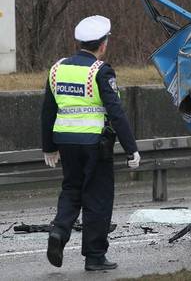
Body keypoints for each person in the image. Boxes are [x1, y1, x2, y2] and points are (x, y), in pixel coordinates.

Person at [41, 15, 141, 271]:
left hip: (65, 141)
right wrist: (131, 149)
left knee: (72, 189)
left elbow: (47, 110)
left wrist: (48, 146)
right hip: (95, 144)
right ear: (103, 44)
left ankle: (59, 232)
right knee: (97, 198)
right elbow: (116, 112)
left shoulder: (58, 68)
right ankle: (95, 257)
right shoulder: (100, 71)